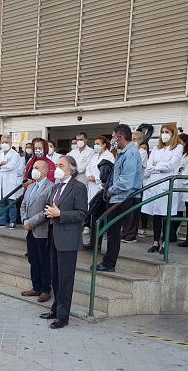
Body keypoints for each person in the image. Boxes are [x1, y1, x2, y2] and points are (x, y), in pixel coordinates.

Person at [40, 156, 88, 328]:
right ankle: (55, 308)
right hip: (53, 236)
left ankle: (63, 316)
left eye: (61, 165)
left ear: (71, 169)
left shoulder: (79, 187)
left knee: (66, 278)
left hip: (67, 239)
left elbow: (82, 213)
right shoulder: (56, 187)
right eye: (57, 165)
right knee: (55, 277)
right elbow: (50, 207)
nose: (57, 168)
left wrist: (61, 214)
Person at [95, 124, 143, 272]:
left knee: (113, 232)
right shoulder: (124, 152)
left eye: (113, 137)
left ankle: (109, 263)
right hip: (117, 196)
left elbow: (126, 182)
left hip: (121, 197)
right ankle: (107, 261)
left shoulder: (130, 154)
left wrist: (110, 190)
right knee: (110, 230)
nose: (112, 140)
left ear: (120, 137)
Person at [141, 124, 184, 254]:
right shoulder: (156, 148)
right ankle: (155, 242)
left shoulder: (178, 147)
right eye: (162, 132)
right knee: (156, 215)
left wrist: (156, 166)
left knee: (166, 215)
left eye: (167, 132)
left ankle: (165, 243)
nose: (164, 134)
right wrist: (156, 167)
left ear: (173, 134)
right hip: (154, 183)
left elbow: (171, 165)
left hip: (167, 185)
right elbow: (148, 165)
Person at [20, 160, 54, 303]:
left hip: (42, 230)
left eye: (37, 168)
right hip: (29, 230)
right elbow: (23, 205)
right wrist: (24, 221)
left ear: (45, 171)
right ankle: (36, 287)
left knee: (43, 260)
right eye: (33, 167)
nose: (34, 170)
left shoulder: (51, 187)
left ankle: (46, 290)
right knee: (33, 259)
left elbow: (47, 211)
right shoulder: (30, 187)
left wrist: (31, 222)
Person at [169, 134, 188, 244]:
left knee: (180, 209)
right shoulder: (174, 152)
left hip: (183, 185)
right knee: (171, 209)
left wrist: (181, 169)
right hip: (174, 183)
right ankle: (170, 233)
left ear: (185, 143)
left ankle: (174, 233)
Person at [121, 140, 149, 242]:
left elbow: (131, 166)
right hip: (126, 187)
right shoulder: (128, 151)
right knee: (126, 211)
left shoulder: (141, 152)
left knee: (133, 212)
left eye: (135, 138)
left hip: (136, 186)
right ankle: (124, 232)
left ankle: (131, 235)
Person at [0, 135, 22, 229]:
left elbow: (11, 166)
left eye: (6, 142)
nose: (4, 144)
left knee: (11, 203)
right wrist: (1, 163)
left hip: (10, 182)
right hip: (0, 181)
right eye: (3, 142)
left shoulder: (15, 154)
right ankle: (2, 221)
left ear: (11, 143)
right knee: (1, 202)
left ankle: (12, 222)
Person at [86, 136, 116, 204]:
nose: (95, 146)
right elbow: (88, 167)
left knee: (98, 205)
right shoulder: (94, 155)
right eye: (95, 144)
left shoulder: (109, 156)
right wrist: (89, 176)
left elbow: (108, 172)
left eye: (97, 144)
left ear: (104, 145)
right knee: (90, 204)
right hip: (91, 185)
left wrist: (96, 178)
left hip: (100, 185)